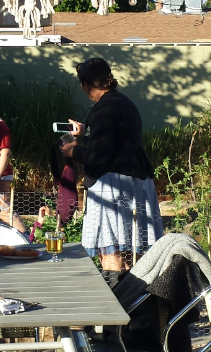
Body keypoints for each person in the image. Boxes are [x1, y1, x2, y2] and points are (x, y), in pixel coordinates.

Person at [59, 58, 162, 278]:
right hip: (136, 181)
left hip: (112, 187)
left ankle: (115, 303)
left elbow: (100, 155)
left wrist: (72, 151)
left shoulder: (102, 110)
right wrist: (86, 131)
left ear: (86, 84)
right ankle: (136, 303)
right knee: (131, 254)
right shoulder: (124, 102)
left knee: (111, 251)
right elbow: (117, 140)